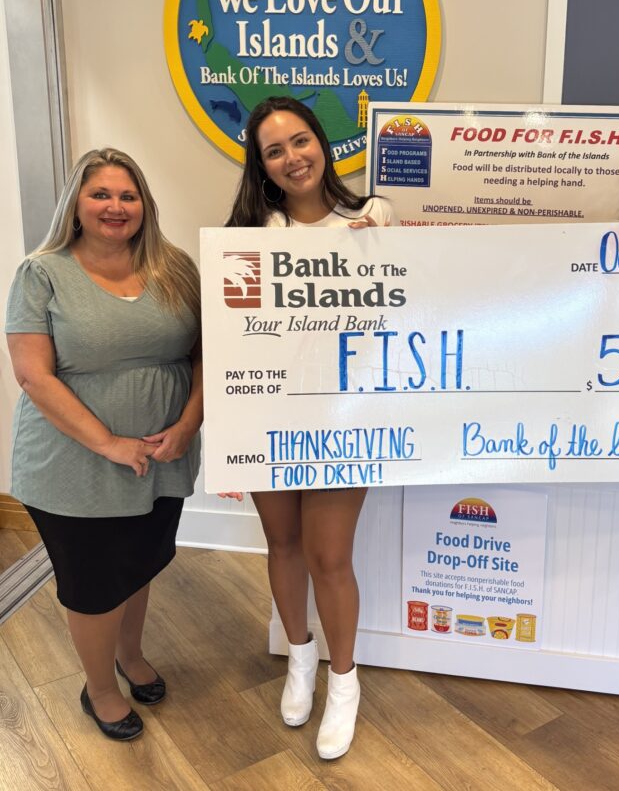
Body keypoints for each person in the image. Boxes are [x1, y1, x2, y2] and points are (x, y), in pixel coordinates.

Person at [5, 148, 202, 741]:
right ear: (76, 205)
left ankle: (129, 654)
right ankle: (100, 689)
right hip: (73, 463)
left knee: (137, 565)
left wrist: (188, 424)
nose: (115, 206)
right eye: (101, 195)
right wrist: (110, 443)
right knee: (94, 584)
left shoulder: (175, 267)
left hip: (161, 458)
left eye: (127, 195)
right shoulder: (41, 273)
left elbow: (206, 355)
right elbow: (33, 376)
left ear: (144, 205)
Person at [223, 96, 395, 760]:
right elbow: (233, 334)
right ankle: (300, 659)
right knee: (284, 544)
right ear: (261, 166)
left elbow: (405, 308)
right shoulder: (250, 232)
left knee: (330, 556)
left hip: (344, 418)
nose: (292, 158)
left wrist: (381, 247)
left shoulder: (372, 217)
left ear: (321, 142)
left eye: (300, 141)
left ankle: (343, 682)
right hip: (270, 414)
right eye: (274, 151)